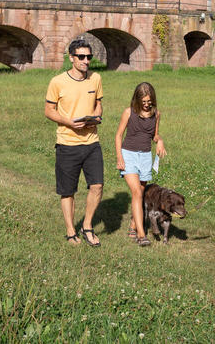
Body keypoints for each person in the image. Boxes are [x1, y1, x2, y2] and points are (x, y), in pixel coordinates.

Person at [45, 39, 104, 246]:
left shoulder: (96, 78)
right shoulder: (57, 82)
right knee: (67, 191)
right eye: (81, 57)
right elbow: (49, 111)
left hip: (92, 142)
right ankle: (71, 231)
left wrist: (96, 117)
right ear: (71, 58)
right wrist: (68, 122)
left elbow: (98, 105)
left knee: (97, 186)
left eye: (89, 57)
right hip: (67, 143)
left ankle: (87, 226)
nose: (86, 61)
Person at [115, 82, 167, 246]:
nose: (146, 105)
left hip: (145, 157)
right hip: (128, 154)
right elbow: (118, 136)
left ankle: (132, 225)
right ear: (137, 100)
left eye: (149, 102)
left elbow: (155, 135)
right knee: (137, 192)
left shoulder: (156, 114)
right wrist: (119, 158)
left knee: (140, 193)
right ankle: (141, 234)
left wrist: (160, 141)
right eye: (143, 102)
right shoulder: (128, 112)